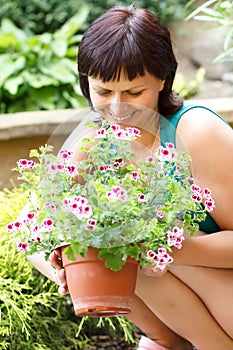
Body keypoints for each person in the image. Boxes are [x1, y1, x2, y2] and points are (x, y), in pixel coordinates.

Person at [29, 6, 233, 350]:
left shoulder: (197, 131)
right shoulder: (96, 139)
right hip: (178, 320)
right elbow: (32, 219)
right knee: (107, 239)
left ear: (163, 80)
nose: (119, 108)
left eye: (134, 92)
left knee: (130, 238)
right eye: (104, 92)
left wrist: (165, 247)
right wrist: (66, 265)